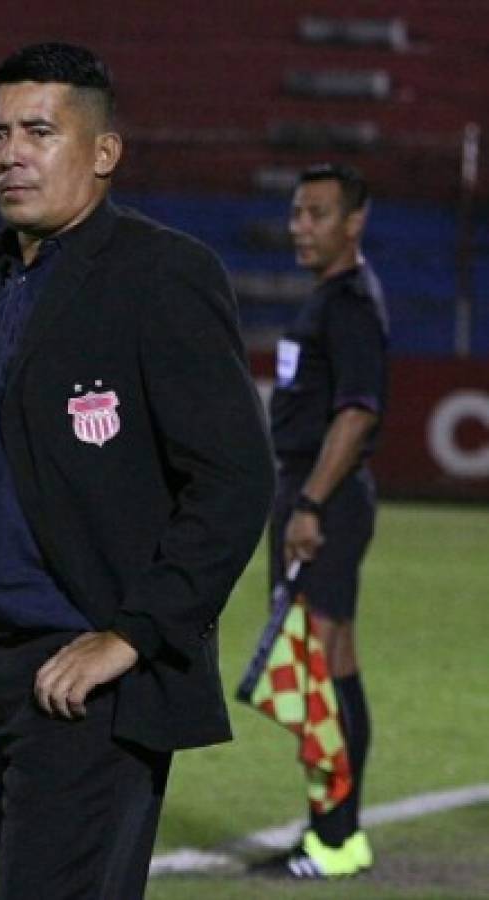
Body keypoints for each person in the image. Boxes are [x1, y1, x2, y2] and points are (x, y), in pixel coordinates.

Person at [0, 42, 274, 899]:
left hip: (95, 678)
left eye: (39, 131)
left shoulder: (162, 275)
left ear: (103, 153)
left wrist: (130, 635)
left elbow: (236, 481)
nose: (10, 152)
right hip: (4, 665)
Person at [268, 163, 389, 878]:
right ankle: (331, 829)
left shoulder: (349, 303)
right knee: (322, 665)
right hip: (311, 494)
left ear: (354, 221)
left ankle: (337, 835)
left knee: (322, 662)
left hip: (327, 501)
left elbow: (358, 409)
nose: (300, 227)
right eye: (295, 213)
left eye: (316, 214)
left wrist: (311, 502)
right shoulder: (330, 299)